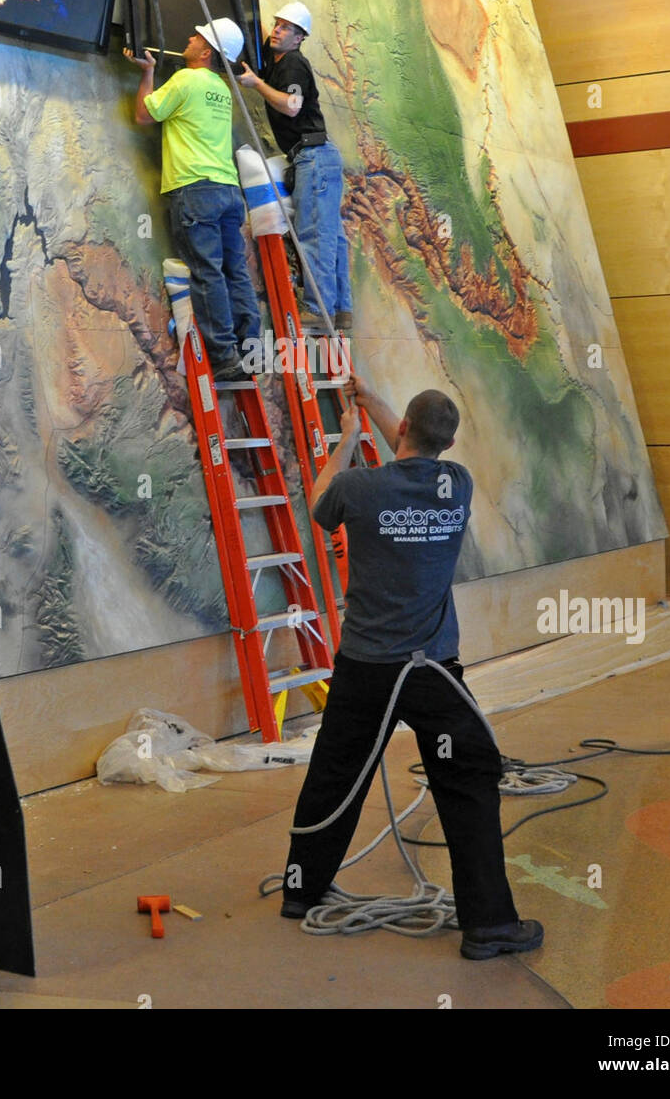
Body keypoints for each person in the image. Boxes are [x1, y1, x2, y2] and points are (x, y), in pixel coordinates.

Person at [281, 377, 543, 961]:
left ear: (401, 428)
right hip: (430, 674)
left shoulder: (359, 487)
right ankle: (491, 925)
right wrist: (374, 404)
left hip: (364, 670)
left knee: (333, 773)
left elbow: (322, 505)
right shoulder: (458, 485)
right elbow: (415, 451)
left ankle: (302, 891)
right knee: (468, 777)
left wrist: (349, 435)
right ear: (446, 444)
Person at [126, 19, 261, 382]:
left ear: (206, 52)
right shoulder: (220, 87)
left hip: (195, 190)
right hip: (229, 191)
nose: (189, 36)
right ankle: (251, 349)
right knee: (235, 271)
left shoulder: (186, 80)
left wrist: (148, 73)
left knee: (207, 273)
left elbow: (144, 114)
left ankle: (223, 356)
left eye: (196, 36)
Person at [238, 2, 352, 335]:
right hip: (318, 157)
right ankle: (341, 309)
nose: (277, 30)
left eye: (287, 28)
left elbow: (291, 106)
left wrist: (256, 85)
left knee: (315, 236)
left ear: (300, 38)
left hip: (313, 157)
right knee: (332, 237)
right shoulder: (276, 59)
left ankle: (317, 311)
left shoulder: (292, 65)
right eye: (277, 24)